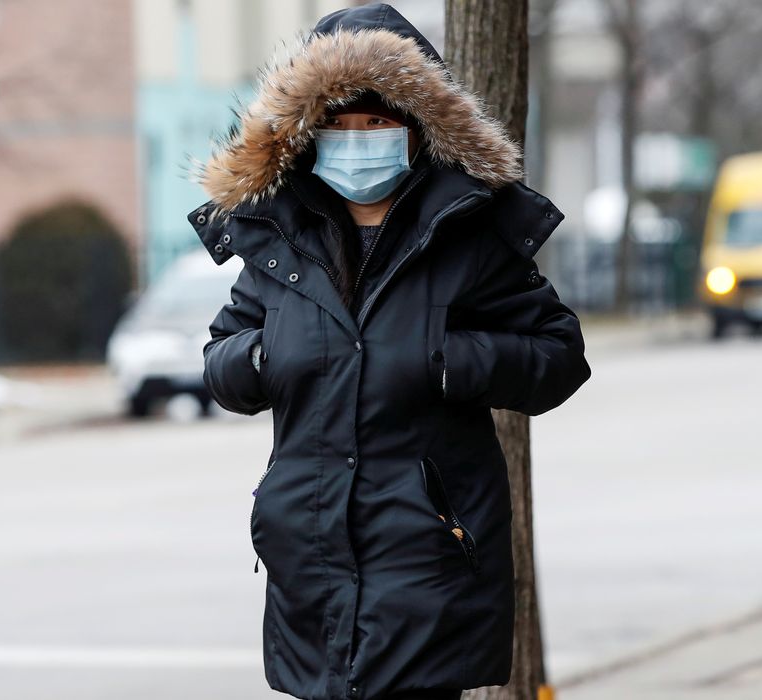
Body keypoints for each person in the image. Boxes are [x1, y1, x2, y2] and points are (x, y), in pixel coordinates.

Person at [188, 5, 591, 700]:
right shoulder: (280, 242)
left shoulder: (466, 232)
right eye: (340, 125)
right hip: (309, 561)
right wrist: (257, 360)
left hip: (429, 559)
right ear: (308, 136)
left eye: (376, 123)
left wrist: (449, 361)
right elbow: (223, 358)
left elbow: (558, 356)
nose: (357, 140)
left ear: (416, 130)